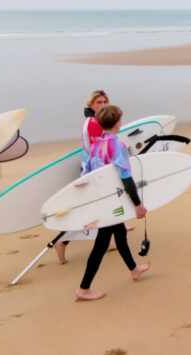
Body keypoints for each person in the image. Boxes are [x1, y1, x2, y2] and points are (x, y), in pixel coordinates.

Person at [75, 104, 150, 301]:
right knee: (101, 245)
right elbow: (126, 177)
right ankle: (84, 288)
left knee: (121, 233)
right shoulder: (117, 145)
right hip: (111, 201)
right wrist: (137, 204)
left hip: (102, 199)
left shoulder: (96, 145)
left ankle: (134, 269)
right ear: (118, 124)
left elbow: (86, 174)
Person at [57, 90, 112, 265]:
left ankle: (113, 236)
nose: (102, 105)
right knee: (91, 211)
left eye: (105, 102)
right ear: (91, 105)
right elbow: (98, 152)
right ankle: (62, 241)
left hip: (94, 169)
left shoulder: (94, 120)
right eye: (98, 103)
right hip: (93, 172)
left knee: (104, 208)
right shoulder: (94, 123)